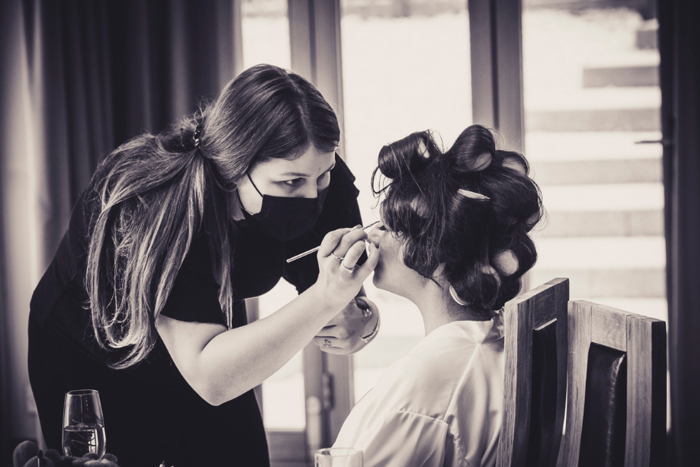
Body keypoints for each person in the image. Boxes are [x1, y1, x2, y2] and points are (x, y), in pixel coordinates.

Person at [28, 64, 380, 467]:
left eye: (322, 176)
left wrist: (364, 321)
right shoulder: (159, 206)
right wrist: (324, 299)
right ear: (234, 169)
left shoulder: (313, 171)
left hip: (208, 327)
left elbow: (347, 301)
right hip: (97, 350)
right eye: (290, 183)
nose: (311, 195)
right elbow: (211, 379)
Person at [333, 125, 543, 466]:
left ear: (437, 250)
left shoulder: (425, 386)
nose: (372, 236)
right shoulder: (491, 345)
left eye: (389, 227)